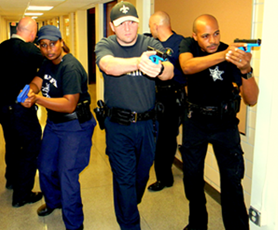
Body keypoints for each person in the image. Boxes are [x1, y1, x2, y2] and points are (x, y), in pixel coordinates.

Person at [94, 1, 174, 229]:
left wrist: (160, 69)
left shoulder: (149, 42)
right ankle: (130, 221)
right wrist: (139, 61)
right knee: (125, 180)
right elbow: (109, 65)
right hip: (118, 126)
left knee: (140, 177)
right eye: (121, 24)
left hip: (147, 126)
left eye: (132, 23)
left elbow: (169, 70)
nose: (128, 28)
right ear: (112, 26)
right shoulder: (105, 44)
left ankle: (128, 203)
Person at [178, 14, 259, 230]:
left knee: (232, 182)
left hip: (224, 124)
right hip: (195, 121)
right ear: (195, 36)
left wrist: (245, 70)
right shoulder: (188, 45)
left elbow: (252, 99)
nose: (212, 40)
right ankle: (197, 224)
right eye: (205, 36)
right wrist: (224, 55)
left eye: (216, 33)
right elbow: (187, 67)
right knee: (192, 179)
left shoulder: (229, 55)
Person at [22, 25, 97, 230]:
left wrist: (37, 99)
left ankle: (74, 224)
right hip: (55, 124)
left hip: (75, 125)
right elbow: (38, 80)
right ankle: (54, 202)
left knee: (67, 174)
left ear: (61, 42)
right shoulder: (48, 62)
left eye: (52, 44)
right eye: (43, 45)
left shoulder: (70, 67)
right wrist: (30, 90)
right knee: (45, 167)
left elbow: (69, 104)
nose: (49, 49)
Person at [0, 17, 44, 207]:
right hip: (19, 109)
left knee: (11, 143)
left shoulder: (1, 46)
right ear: (33, 34)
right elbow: (49, 62)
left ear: (17, 29)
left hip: (1, 108)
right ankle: (22, 194)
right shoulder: (31, 50)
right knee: (30, 146)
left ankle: (11, 179)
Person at [147, 11, 187, 192]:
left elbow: (185, 71)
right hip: (154, 96)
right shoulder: (152, 44)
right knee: (155, 138)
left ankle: (165, 177)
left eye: (150, 26)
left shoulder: (181, 43)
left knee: (166, 139)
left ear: (156, 26)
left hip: (172, 97)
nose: (150, 29)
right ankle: (160, 172)